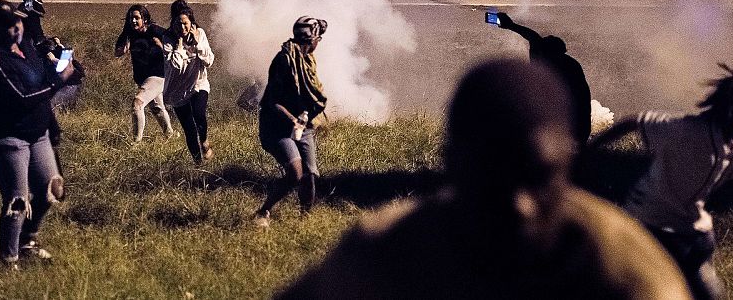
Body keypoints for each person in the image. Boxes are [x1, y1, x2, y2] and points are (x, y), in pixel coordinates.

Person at [278, 60, 691, 300]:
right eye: (493, 174)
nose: (520, 204)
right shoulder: (382, 255)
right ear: (450, 165)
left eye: (538, 177)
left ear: (571, 166)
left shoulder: (633, 279)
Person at [589, 64, 733, 300]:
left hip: (694, 235)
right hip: (653, 227)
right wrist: (593, 148)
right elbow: (636, 121)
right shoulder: (684, 129)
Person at [0, 0, 76, 271]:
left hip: (38, 133)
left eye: (17, 23)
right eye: (9, 27)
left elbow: (42, 82)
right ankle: (8, 262)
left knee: (51, 191)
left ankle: (27, 242)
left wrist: (61, 64)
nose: (16, 30)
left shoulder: (26, 48)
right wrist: (59, 81)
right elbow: (22, 98)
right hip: (9, 138)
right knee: (18, 201)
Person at [254, 16, 328, 228]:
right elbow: (272, 102)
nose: (318, 43)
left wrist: (307, 118)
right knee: (296, 173)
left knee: (310, 174)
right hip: (276, 127)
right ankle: (264, 211)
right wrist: (294, 120)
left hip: (301, 126)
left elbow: (310, 95)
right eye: (318, 38)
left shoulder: (307, 60)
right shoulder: (285, 60)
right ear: (310, 39)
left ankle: (305, 221)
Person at [497, 13, 591, 146]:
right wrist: (511, 26)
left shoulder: (567, 66)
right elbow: (533, 37)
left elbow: (581, 99)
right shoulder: (544, 55)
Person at [162, 6, 214, 163]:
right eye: (178, 24)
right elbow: (175, 67)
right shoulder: (168, 39)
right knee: (189, 129)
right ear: (173, 24)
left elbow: (209, 61)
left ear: (192, 23)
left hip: (198, 83)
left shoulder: (200, 34)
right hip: (177, 90)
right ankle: (198, 163)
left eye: (185, 23)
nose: (182, 28)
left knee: (199, 113)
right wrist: (179, 46)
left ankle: (204, 141)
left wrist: (198, 44)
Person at [115, 5, 174, 143]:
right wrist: (123, 47)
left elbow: (174, 41)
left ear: (145, 19)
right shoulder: (129, 33)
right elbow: (117, 52)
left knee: (137, 103)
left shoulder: (154, 30)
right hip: (143, 79)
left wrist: (162, 46)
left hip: (158, 76)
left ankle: (136, 142)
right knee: (157, 108)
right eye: (131, 18)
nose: (133, 21)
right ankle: (170, 135)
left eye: (137, 18)